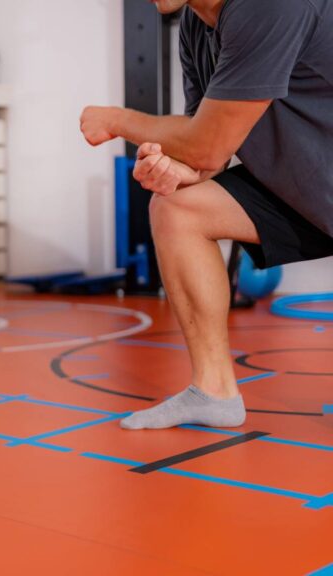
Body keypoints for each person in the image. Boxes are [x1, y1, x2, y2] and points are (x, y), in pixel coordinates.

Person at [79, 0, 333, 429]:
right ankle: (212, 392)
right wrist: (173, 170)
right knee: (178, 208)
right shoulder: (196, 29)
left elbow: (205, 143)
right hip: (307, 186)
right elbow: (207, 153)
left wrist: (119, 121)